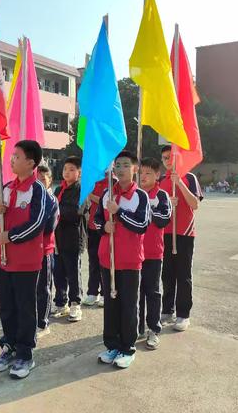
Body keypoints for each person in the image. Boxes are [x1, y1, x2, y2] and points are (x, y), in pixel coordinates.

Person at [0, 140, 54, 379]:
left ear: (31, 162)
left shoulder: (37, 190)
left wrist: (12, 236)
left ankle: (25, 354)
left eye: (16, 156)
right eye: (12, 155)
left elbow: (37, 224)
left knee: (26, 308)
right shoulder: (6, 186)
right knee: (6, 306)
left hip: (26, 261)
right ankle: (9, 346)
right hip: (3, 259)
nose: (12, 159)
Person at [94, 150, 150, 368]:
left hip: (129, 260)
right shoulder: (107, 193)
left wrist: (120, 213)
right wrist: (104, 226)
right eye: (117, 165)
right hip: (108, 259)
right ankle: (112, 345)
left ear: (135, 169)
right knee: (111, 303)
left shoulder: (140, 196)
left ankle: (128, 347)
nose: (120, 169)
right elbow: (98, 221)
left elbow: (142, 225)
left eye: (126, 165)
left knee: (128, 305)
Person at [159, 145, 203, 332]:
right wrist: (168, 201)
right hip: (164, 233)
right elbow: (156, 205)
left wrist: (180, 184)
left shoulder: (189, 177)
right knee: (167, 274)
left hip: (184, 233)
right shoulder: (161, 180)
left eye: (171, 157)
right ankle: (167, 309)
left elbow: (195, 204)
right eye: (164, 158)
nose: (168, 161)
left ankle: (183, 314)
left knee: (183, 275)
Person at [138, 158, 172, 349]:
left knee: (152, 291)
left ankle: (154, 328)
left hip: (153, 253)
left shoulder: (161, 195)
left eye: (148, 173)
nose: (143, 176)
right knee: (137, 293)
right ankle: (138, 327)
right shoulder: (134, 193)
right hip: (135, 253)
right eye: (141, 173)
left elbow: (163, 219)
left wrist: (145, 208)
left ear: (157, 175)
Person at [52, 156, 87, 322]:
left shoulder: (81, 190)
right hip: (57, 238)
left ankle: (75, 304)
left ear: (79, 173)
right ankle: (61, 302)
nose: (67, 172)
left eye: (72, 169)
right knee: (58, 272)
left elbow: (75, 212)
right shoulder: (59, 190)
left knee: (73, 273)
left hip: (72, 237)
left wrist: (57, 212)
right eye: (66, 169)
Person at [82, 174, 114, 307]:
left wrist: (91, 196)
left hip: (106, 227)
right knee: (93, 260)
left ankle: (104, 293)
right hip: (92, 226)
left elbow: (106, 201)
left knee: (105, 261)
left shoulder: (113, 181)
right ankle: (92, 292)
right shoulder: (93, 179)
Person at [36, 164, 59, 338]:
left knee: (44, 287)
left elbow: (49, 227)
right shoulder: (32, 197)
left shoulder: (52, 200)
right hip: (29, 251)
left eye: (44, 179)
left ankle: (43, 323)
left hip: (45, 250)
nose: (40, 182)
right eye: (38, 178)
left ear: (50, 181)